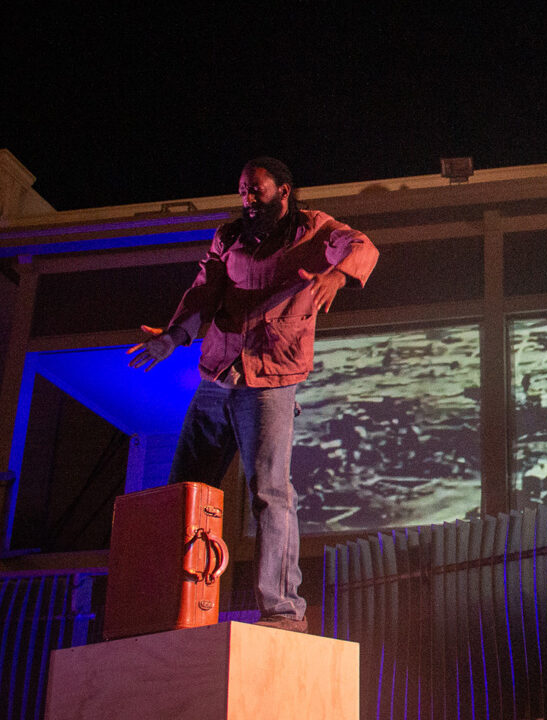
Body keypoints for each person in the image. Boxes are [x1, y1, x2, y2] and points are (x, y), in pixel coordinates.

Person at [127, 157, 379, 634]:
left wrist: (336, 275)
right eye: (242, 191)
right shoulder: (229, 238)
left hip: (270, 379)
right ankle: (175, 601)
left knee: (269, 492)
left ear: (284, 191)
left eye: (256, 190)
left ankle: (283, 608)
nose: (247, 199)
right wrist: (172, 338)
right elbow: (204, 291)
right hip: (218, 374)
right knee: (185, 489)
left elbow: (361, 246)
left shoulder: (313, 229)